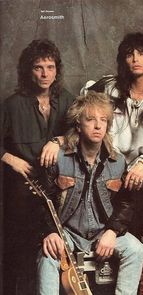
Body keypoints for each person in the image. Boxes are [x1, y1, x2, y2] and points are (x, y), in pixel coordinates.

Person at [37, 91, 143, 295]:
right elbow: (44, 201)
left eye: (103, 120)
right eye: (91, 119)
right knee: (49, 253)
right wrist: (50, 231)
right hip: (67, 232)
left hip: (102, 231)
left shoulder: (118, 161)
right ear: (78, 125)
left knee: (136, 249)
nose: (98, 126)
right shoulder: (59, 158)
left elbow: (126, 203)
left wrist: (112, 231)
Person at [83, 32, 143, 247]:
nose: (135, 59)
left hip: (141, 169)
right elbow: (80, 109)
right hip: (106, 166)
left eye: (141, 53)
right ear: (123, 60)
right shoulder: (107, 87)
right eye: (129, 55)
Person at [0, 39, 75, 294]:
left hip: (55, 185)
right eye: (38, 67)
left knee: (52, 249)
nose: (45, 74)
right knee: (20, 250)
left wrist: (59, 140)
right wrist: (10, 158)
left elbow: (82, 131)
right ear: (28, 71)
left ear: (57, 70)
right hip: (20, 188)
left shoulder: (66, 99)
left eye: (50, 67)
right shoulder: (12, 104)